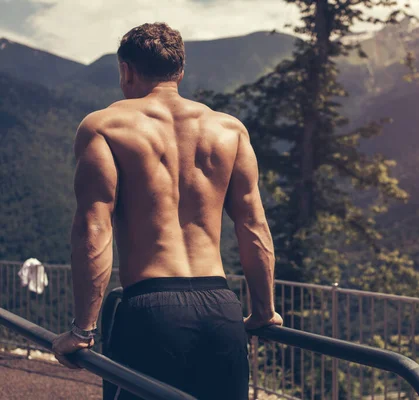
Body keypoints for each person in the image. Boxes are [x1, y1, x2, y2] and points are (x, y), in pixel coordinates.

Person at [51, 22, 283, 400]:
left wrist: (82, 331)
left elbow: (94, 230)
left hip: (151, 311)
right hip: (222, 310)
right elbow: (253, 225)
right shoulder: (230, 130)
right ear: (180, 71)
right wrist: (263, 311)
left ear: (126, 70)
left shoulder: (105, 126)